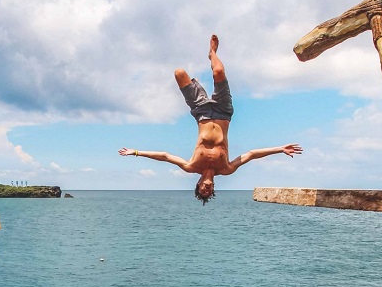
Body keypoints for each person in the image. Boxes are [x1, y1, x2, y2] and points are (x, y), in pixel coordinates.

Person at [119, 35, 302, 204]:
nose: (207, 188)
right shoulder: (226, 168)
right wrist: (280, 149)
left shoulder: (191, 166)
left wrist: (136, 152)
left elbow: (165, 156)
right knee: (219, 71)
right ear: (213, 187)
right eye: (210, 190)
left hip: (201, 112)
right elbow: (251, 154)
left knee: (179, 73)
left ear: (198, 184)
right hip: (224, 112)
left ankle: (200, 74)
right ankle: (212, 53)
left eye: (203, 190)